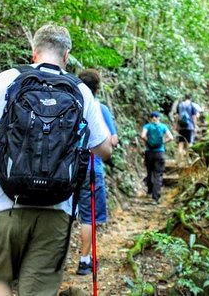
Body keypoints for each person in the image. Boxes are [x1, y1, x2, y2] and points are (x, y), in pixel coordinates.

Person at [0, 24, 113, 296]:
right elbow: (103, 150)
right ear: (66, 55)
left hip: (3, 202)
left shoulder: (7, 79)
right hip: (56, 209)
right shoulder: (80, 90)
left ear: (33, 51)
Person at [75, 69, 118, 276]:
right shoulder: (99, 108)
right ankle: (84, 260)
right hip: (91, 168)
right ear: (97, 88)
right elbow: (112, 140)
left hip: (65, 169)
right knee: (88, 217)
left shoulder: (70, 103)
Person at [140, 111, 173, 203]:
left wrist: (148, 141)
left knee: (149, 172)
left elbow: (142, 135)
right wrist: (163, 142)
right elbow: (171, 137)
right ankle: (155, 198)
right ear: (159, 118)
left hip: (149, 153)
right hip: (160, 153)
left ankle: (150, 191)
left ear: (150, 118)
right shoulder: (163, 126)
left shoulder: (147, 126)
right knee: (158, 174)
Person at [175, 94, 199, 161]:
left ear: (185, 98)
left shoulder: (180, 105)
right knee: (189, 143)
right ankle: (189, 160)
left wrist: (176, 125)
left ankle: (179, 160)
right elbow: (194, 117)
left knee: (181, 142)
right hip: (189, 126)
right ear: (191, 98)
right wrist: (195, 126)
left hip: (181, 127)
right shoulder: (192, 105)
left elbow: (177, 116)